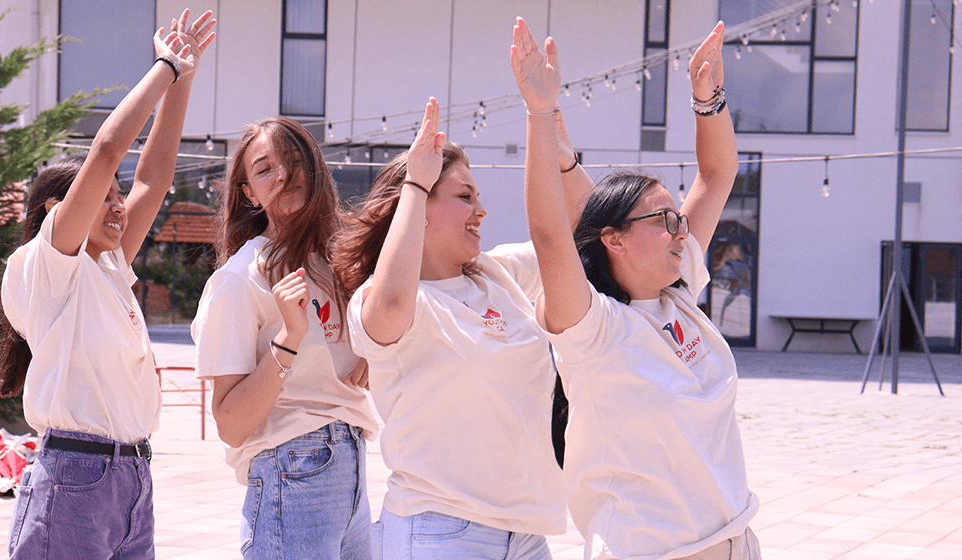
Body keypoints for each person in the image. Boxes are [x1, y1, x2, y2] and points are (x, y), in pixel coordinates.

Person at [513, 17, 761, 560]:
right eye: (663, 219)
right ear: (614, 240)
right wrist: (537, 112)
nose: (681, 229)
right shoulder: (594, 327)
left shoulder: (677, 292)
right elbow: (552, 234)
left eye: (680, 217)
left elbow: (717, 173)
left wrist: (708, 97)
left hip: (736, 541)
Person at [0, 9, 216, 559]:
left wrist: (183, 80)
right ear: (56, 211)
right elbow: (109, 150)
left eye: (118, 197)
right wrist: (164, 66)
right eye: (105, 198)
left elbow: (154, 179)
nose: (119, 207)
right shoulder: (44, 268)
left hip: (133, 477)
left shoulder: (108, 268)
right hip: (75, 480)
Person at [331, 96, 589, 560]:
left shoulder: (497, 274)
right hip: (440, 531)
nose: (481, 210)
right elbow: (390, 303)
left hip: (526, 536)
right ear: (420, 210)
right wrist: (414, 182)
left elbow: (582, 231)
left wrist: (562, 158)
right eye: (465, 196)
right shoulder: (386, 301)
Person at [190, 114, 378, 559]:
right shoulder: (241, 279)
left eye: (293, 160)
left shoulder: (340, 263)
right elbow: (232, 424)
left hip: (351, 467)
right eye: (264, 168)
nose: (284, 174)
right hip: (290, 470)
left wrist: (373, 350)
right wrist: (288, 340)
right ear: (249, 195)